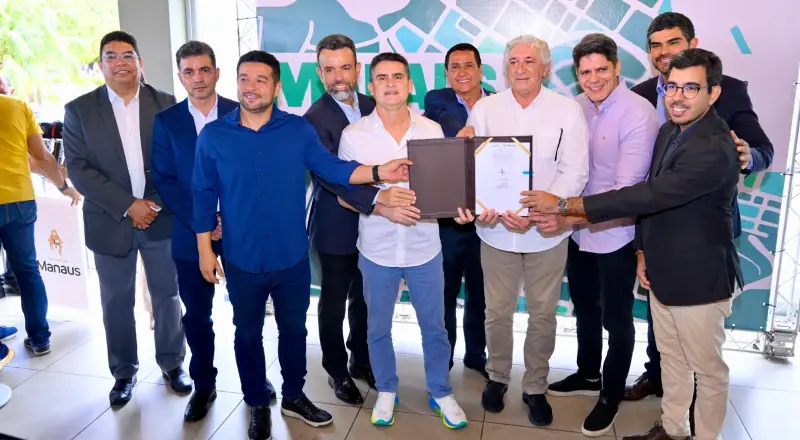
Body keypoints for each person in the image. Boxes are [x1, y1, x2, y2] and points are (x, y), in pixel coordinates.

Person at [192, 50, 411, 440]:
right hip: (241, 257)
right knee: (247, 335)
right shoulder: (214, 136)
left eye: (261, 79)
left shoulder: (297, 130)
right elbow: (203, 195)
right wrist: (205, 249)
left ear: (277, 86)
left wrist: (379, 171)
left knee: (294, 332)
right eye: (244, 79)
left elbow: (334, 169)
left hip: (291, 256)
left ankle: (294, 395)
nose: (251, 87)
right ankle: (257, 401)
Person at [524, 48, 741, 440]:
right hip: (662, 268)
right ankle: (672, 430)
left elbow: (645, 195)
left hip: (700, 278)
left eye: (691, 88)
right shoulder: (672, 131)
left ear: (713, 93)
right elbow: (653, 202)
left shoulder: (711, 145)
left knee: (707, 370)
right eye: (672, 86)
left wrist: (564, 205)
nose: (678, 96)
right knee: (672, 359)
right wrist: (642, 249)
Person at [625, 11, 773, 408]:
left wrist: (748, 156)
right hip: (654, 228)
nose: (664, 52)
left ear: (692, 44)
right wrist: (640, 243)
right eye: (656, 45)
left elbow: (764, 149)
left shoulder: (729, 89)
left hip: (702, 236)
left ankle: (698, 412)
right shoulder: (639, 95)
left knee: (699, 339)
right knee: (661, 321)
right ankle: (659, 381)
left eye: (673, 42)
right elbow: (643, 179)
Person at [454, 34, 589, 427]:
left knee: (543, 314)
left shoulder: (567, 111)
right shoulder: (485, 109)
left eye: (529, 61)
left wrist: (545, 207)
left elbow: (576, 171)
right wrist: (482, 206)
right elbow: (471, 167)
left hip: (547, 231)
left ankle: (535, 386)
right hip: (496, 231)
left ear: (545, 68)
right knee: (496, 313)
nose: (521, 68)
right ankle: (497, 377)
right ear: (505, 68)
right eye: (514, 61)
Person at [337, 52, 468, 430]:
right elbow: (345, 195)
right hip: (376, 249)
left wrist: (459, 208)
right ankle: (387, 389)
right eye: (382, 78)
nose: (390, 84)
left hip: (424, 248)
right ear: (370, 86)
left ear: (410, 85)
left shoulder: (431, 131)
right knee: (377, 327)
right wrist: (383, 206)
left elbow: (445, 188)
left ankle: (440, 390)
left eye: (398, 76)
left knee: (435, 326)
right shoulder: (354, 135)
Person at [539, 34, 659, 437]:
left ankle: (610, 395)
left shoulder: (638, 113)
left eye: (601, 69)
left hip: (617, 235)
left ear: (617, 67)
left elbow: (625, 193)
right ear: (577, 74)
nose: (593, 78)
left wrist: (565, 216)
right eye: (585, 71)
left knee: (617, 319)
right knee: (585, 307)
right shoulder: (574, 108)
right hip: (580, 234)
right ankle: (588, 373)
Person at [63, 30, 190, 408]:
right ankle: (123, 372)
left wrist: (150, 205)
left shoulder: (166, 103)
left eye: (127, 55)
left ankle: (173, 363)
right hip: (109, 221)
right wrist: (128, 205)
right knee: (116, 300)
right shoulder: (79, 110)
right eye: (111, 56)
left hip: (161, 217)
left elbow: (178, 162)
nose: (120, 63)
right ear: (101, 65)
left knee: (168, 295)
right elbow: (80, 170)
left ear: (140, 62)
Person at [151, 40, 274, 422]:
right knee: (197, 317)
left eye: (205, 69)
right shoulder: (167, 122)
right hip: (191, 234)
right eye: (189, 71)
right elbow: (165, 180)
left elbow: (259, 175)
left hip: (243, 232)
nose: (198, 78)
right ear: (180, 76)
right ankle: (203, 385)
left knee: (248, 317)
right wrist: (203, 221)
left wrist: (229, 219)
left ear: (217, 73)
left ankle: (256, 381)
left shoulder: (245, 112)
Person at [303, 34, 393, 404]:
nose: (338, 76)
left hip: (375, 225)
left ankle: (361, 359)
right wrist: (378, 199)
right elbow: (332, 176)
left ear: (357, 68)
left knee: (365, 298)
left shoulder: (375, 104)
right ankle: (337, 371)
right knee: (334, 301)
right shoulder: (313, 119)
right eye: (329, 69)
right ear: (319, 73)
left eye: (344, 67)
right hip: (336, 225)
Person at [422, 43, 490, 378]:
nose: (462, 72)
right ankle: (443, 356)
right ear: (447, 73)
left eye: (468, 65)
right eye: (455, 67)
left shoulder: (498, 103)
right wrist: (465, 132)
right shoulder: (437, 100)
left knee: (481, 291)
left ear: (480, 69)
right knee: (445, 291)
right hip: (448, 216)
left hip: (487, 217)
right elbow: (445, 120)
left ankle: (476, 355)